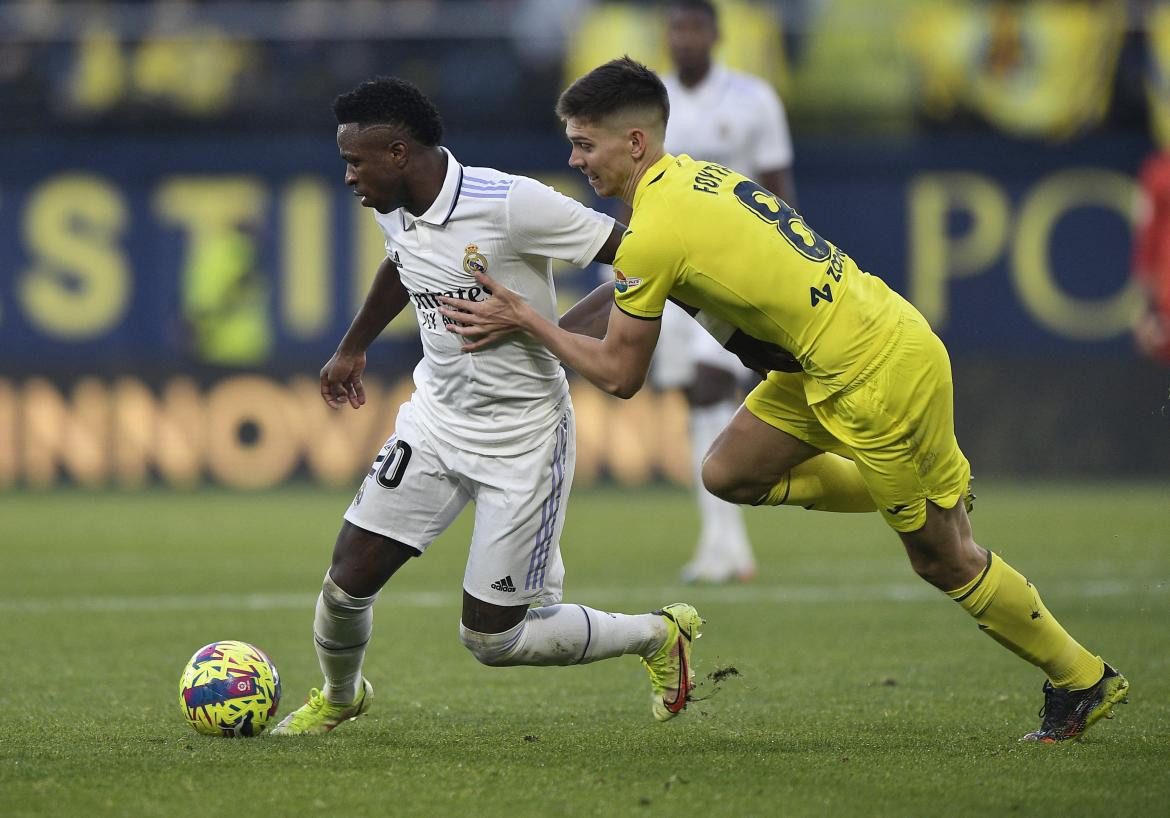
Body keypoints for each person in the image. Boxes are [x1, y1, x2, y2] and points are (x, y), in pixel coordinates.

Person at [439, 57, 1129, 743]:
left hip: (872, 375)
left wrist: (527, 321)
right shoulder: (691, 180)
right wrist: (551, 327)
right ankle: (931, 486)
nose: (574, 157)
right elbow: (638, 283)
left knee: (943, 557)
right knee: (729, 473)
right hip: (834, 358)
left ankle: (1080, 678)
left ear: (635, 143)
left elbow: (621, 376)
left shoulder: (655, 229)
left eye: (585, 143)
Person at [272, 76, 705, 735]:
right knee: (345, 580)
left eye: (354, 161)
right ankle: (340, 695)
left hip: (523, 438)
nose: (349, 176)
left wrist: (548, 330)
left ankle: (655, 635)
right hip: (437, 422)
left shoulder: (512, 204)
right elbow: (403, 261)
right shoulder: (392, 203)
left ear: (397, 153)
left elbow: (643, 260)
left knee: (491, 641)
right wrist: (353, 345)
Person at [654, 0, 799, 583]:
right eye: (675, 28)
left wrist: (786, 262)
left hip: (735, 269)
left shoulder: (754, 99)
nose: (683, 38)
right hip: (670, 267)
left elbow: (779, 188)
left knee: (715, 381)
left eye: (693, 27)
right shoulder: (651, 101)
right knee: (694, 396)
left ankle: (726, 542)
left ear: (714, 34)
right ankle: (724, 542)